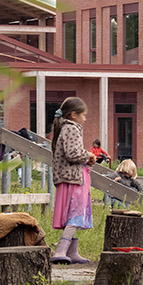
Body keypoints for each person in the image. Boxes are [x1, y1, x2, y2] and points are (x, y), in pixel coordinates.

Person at [49, 97, 95, 264]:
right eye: (83, 115)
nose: (85, 118)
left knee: (74, 214)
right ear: (74, 115)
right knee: (75, 215)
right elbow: (73, 154)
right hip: (72, 179)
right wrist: (88, 154)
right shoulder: (72, 129)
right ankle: (61, 250)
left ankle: (71, 251)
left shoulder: (65, 128)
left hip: (69, 177)